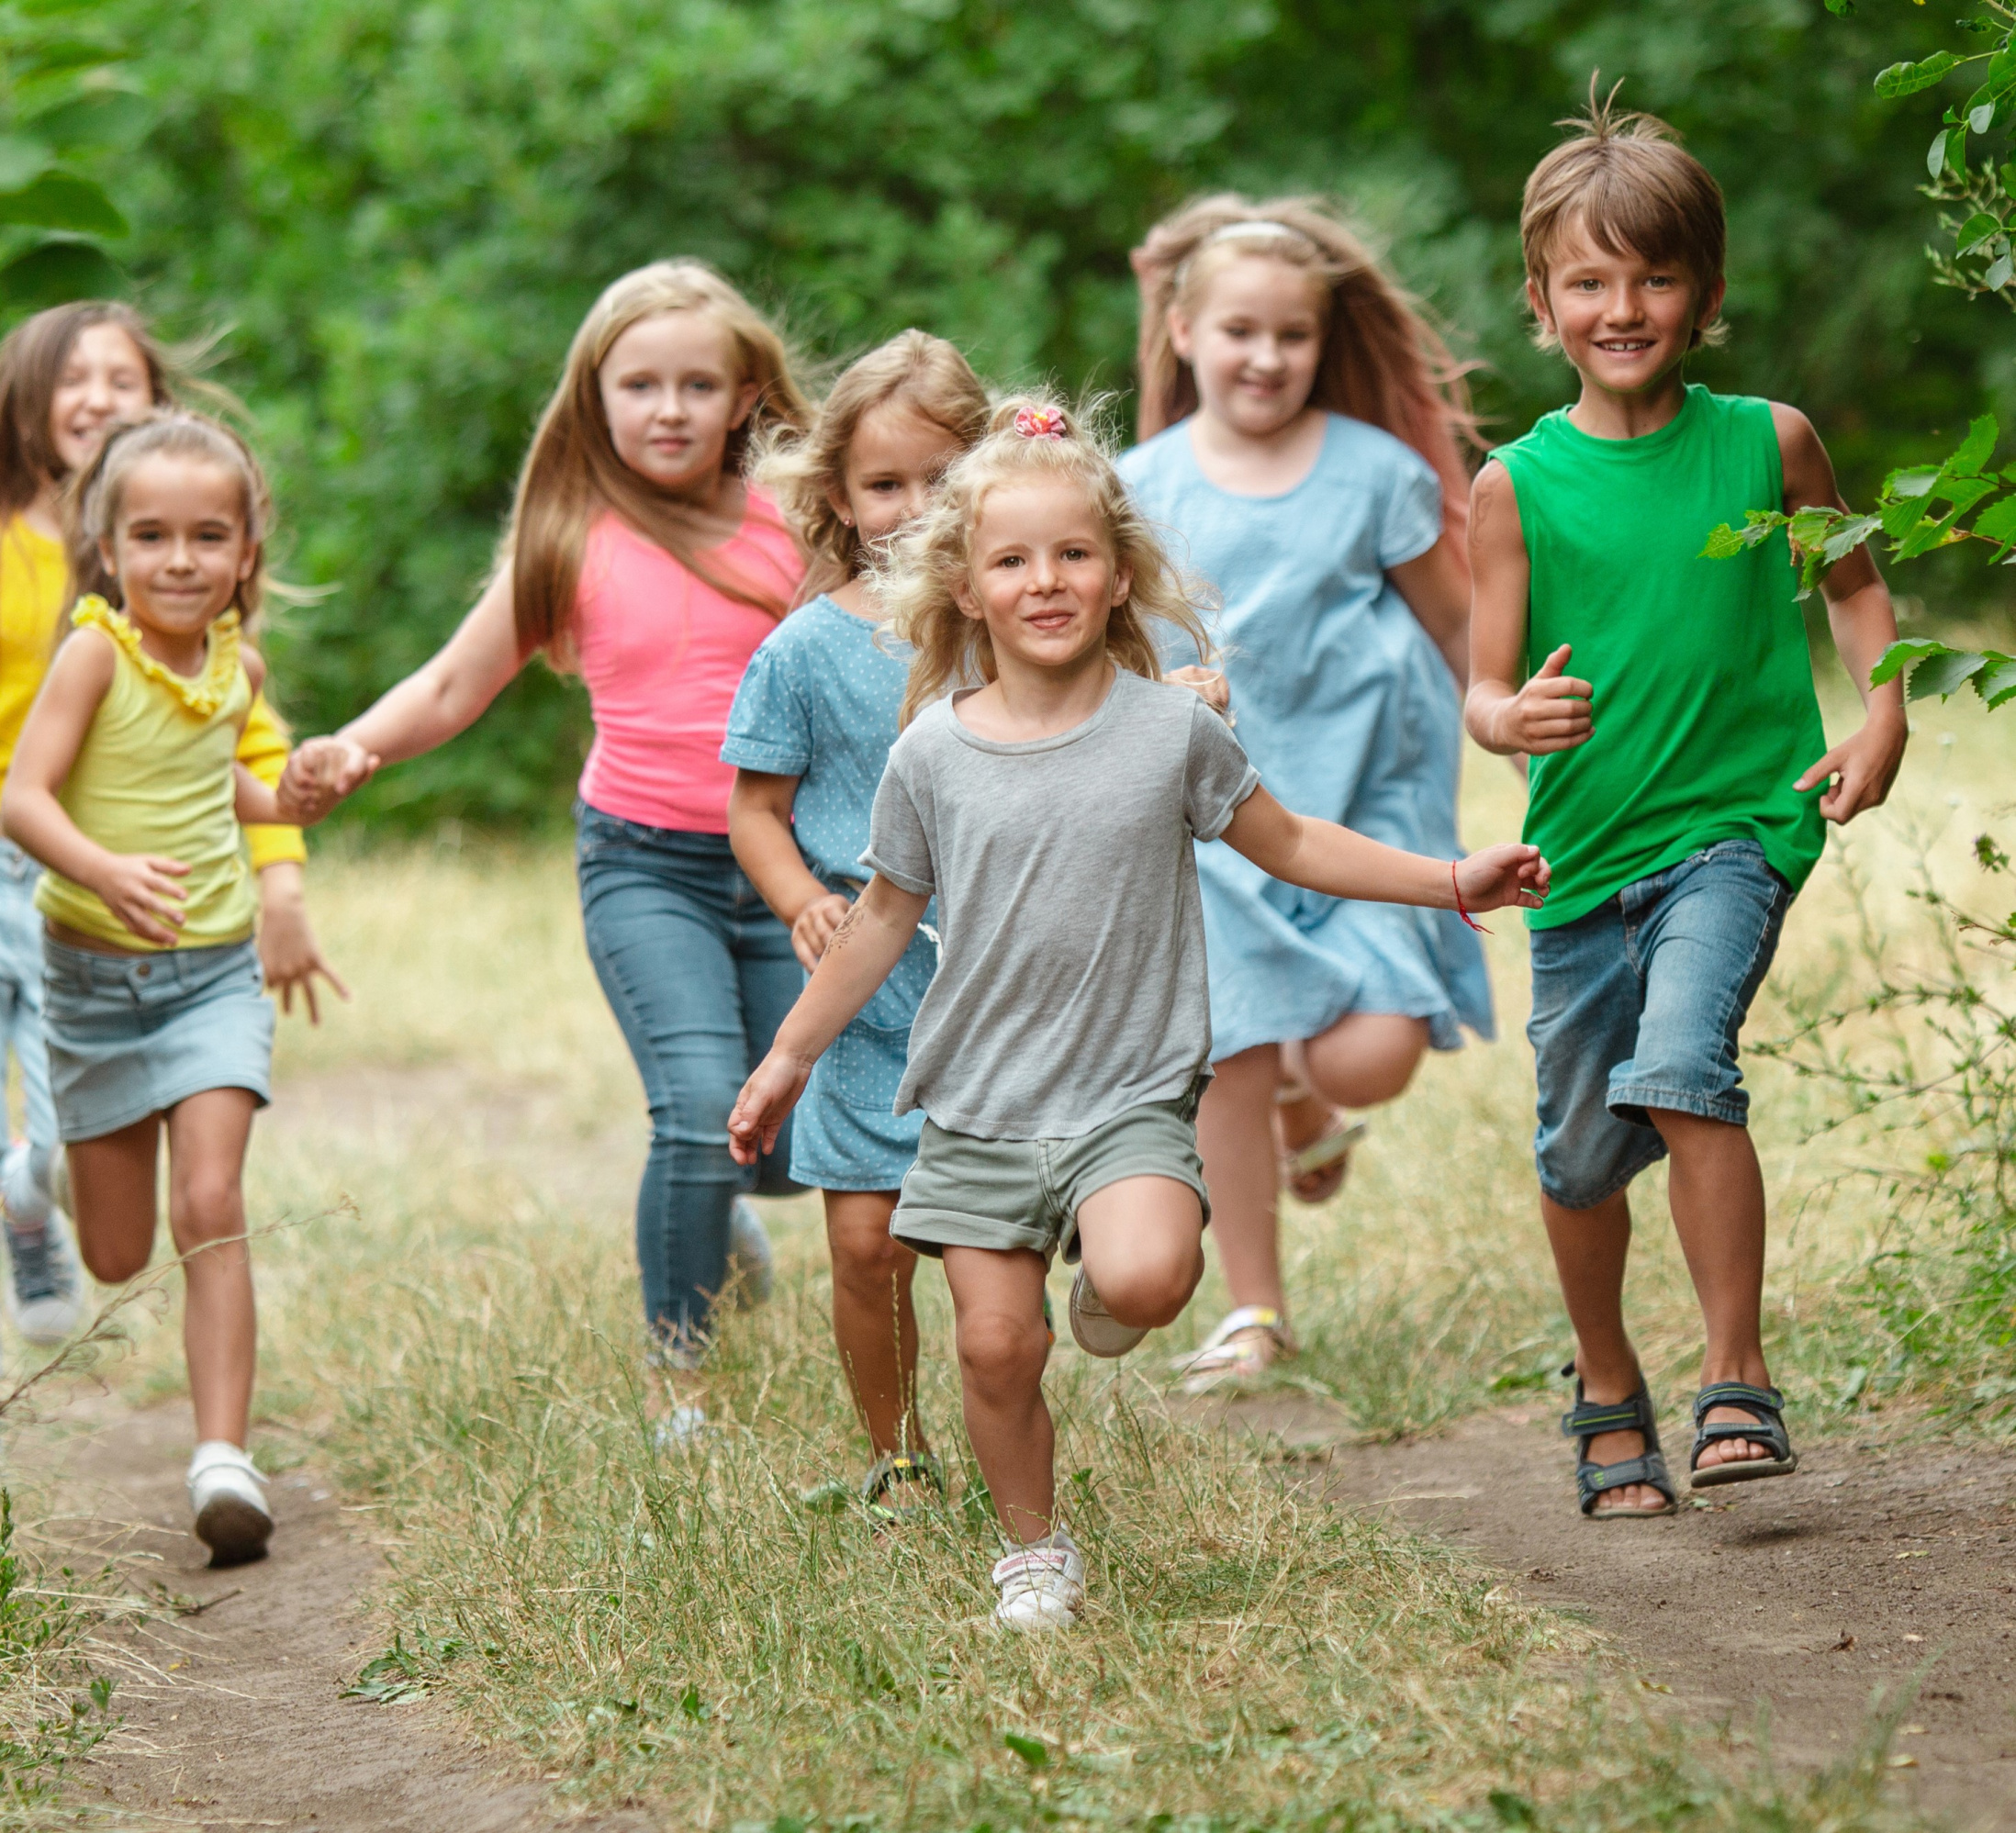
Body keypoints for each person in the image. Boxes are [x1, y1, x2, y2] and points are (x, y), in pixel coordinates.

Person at [727, 399, 1548, 1628]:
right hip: (979, 1103)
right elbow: (885, 917)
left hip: (1127, 1094)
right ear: (963, 584)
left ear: (1119, 575)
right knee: (997, 1350)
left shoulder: (1172, 731)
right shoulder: (933, 754)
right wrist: (790, 1056)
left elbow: (1294, 843)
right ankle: (1033, 1550)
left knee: (1154, 1277)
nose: (1045, 581)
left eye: (1073, 555)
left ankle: (1113, 1282)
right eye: (1012, 560)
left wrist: (1447, 877)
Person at [1464, 97, 1905, 1518]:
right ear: (1542, 301)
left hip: (1737, 829)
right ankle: (1606, 1382)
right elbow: (1483, 687)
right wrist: (1508, 717)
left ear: (1705, 293)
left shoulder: (1770, 443)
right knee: (1583, 1152)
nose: (1623, 306)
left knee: (1684, 1058)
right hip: (1583, 856)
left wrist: (1882, 705)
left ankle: (1737, 1376)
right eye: (1589, 281)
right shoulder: (1515, 484)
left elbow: (1852, 588)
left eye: (1654, 278)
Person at [279, 261, 808, 1444]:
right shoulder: (571, 536)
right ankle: (682, 1378)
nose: (666, 408)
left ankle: (729, 1211)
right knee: (695, 1107)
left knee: (789, 1138)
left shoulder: (796, 519)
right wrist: (351, 749)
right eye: (639, 384)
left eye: (695, 383)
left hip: (786, 865)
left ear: (743, 397)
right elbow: (453, 681)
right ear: (594, 398)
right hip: (644, 864)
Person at [0, 304, 339, 1449]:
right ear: (34, 399)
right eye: (75, 377)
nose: (98, 395)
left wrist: (282, 881)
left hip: (113, 912)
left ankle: (27, 1186)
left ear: (163, 409)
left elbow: (245, 750)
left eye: (125, 378)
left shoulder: (182, 563)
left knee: (57, 1151)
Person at [1118, 198, 1494, 1394]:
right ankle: (1254, 1310)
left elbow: (1455, 621)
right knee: (1232, 1049)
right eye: (1239, 330)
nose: (1265, 356)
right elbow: (1104, 656)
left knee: (1370, 1056)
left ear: (1323, 342)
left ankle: (1303, 1106)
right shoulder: (1136, 486)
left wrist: (1534, 743)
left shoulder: (1373, 473)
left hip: (1370, 805)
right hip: (1219, 822)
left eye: (1291, 334)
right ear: (1182, 331)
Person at [0, 410, 318, 1561]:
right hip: (90, 981)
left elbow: (224, 778)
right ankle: (40, 1169)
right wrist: (101, 868)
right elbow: (27, 798)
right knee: (117, 1255)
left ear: (245, 551)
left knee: (210, 1205)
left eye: (206, 535)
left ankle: (222, 1457)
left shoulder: (241, 666)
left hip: (212, 974)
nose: (179, 560)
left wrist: (292, 799)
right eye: (151, 535)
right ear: (109, 548)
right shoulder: (94, 651)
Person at [723, 330, 990, 1518]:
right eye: (888, 484)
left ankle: (1004, 1414)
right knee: (866, 1246)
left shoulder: (1021, 627)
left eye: (944, 479)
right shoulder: (801, 652)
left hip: (998, 989)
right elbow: (756, 811)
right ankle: (899, 1451)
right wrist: (801, 897)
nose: (916, 507)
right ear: (839, 494)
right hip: (863, 986)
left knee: (987, 1249)